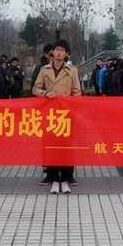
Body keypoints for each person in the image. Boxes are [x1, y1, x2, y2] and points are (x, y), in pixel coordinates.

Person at [33, 40, 81, 194]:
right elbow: (35, 89)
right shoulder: (44, 70)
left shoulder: (72, 70)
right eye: (57, 49)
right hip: (50, 114)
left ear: (66, 54)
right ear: (52, 52)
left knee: (66, 145)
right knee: (50, 145)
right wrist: (46, 93)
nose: (59, 52)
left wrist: (71, 107)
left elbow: (77, 92)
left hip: (66, 114)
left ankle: (67, 176)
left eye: (62, 50)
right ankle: (52, 176)